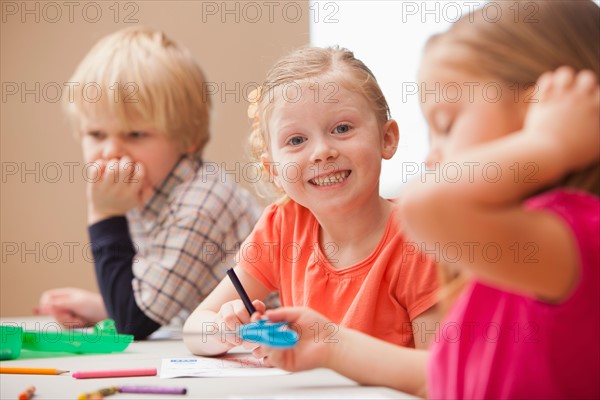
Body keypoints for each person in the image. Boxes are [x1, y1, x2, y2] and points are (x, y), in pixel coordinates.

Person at [251, 1, 600, 398]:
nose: (433, 155)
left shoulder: (573, 236)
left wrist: (549, 143)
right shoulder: (514, 254)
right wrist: (330, 343)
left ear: (541, 110)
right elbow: (442, 372)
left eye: (447, 125)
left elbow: (422, 206)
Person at [183, 47, 440, 356]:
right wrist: (228, 329)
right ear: (273, 170)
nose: (321, 151)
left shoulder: (419, 239)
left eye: (342, 129)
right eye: (296, 140)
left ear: (386, 139)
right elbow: (195, 328)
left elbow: (438, 373)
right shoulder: (283, 225)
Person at [36, 27, 263, 339]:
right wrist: (105, 307)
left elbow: (134, 322)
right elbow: (156, 296)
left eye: (135, 134)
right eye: (96, 134)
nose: (111, 151)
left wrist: (104, 215)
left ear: (190, 139)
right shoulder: (146, 189)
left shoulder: (199, 202)